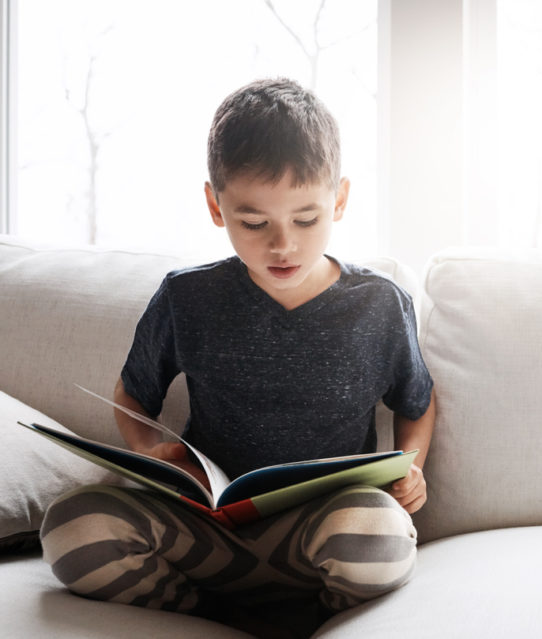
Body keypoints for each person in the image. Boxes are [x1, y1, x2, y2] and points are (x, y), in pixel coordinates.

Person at [39, 78, 436, 638]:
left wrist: (411, 465)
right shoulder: (187, 298)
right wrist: (152, 449)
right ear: (214, 205)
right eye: (254, 223)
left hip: (320, 533)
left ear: (340, 200)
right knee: (72, 525)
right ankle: (205, 618)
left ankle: (312, 615)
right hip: (207, 529)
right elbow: (133, 395)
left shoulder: (378, 305)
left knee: (377, 534)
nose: (283, 245)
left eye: (306, 219)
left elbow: (417, 402)